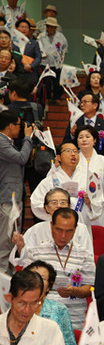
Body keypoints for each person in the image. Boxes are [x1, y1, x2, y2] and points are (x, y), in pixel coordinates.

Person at [19, 208, 94, 330]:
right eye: (59, 230)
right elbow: (25, 284)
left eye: (69, 231)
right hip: (40, 317)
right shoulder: (36, 252)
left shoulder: (85, 255)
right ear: (51, 226)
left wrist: (74, 291)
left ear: (75, 230)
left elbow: (91, 288)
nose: (63, 236)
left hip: (73, 320)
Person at [0, 270, 70, 345]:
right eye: (22, 303)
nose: (27, 310)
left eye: (34, 303)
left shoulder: (50, 329)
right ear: (9, 298)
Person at [0, 111, 33, 273]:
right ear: (10, 125)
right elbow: (21, 158)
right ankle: (3, 281)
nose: (21, 129)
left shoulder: (8, 142)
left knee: (12, 241)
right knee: (5, 243)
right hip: (6, 199)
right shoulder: (1, 141)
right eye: (19, 125)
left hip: (12, 198)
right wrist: (28, 138)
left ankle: (9, 276)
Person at [24, 261, 77, 345]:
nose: (36, 280)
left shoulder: (59, 309)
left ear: (49, 287)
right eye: (33, 276)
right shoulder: (15, 306)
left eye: (42, 278)